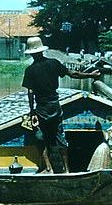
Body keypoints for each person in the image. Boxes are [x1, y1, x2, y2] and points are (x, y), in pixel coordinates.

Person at [21, 36, 101, 173]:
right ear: (42, 51)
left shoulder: (30, 70)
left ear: (31, 53)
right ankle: (67, 169)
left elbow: (30, 92)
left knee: (42, 138)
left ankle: (48, 167)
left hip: (42, 108)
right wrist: (90, 75)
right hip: (55, 106)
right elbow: (73, 74)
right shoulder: (54, 63)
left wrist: (32, 112)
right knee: (60, 136)